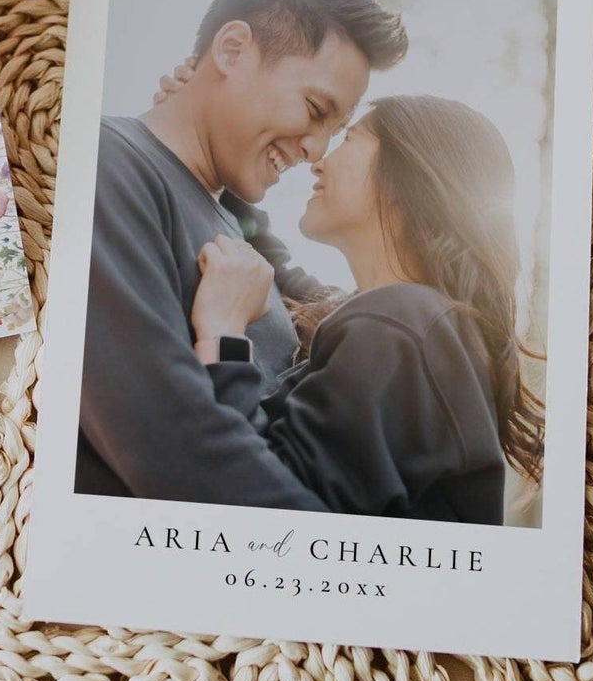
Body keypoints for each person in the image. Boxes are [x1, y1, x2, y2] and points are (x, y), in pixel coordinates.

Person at [74, 0, 408, 506]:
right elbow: (166, 441)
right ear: (232, 50)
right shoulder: (107, 166)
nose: (316, 150)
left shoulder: (236, 225)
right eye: (315, 108)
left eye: (337, 130)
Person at [194, 95, 546, 524]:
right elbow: (281, 270)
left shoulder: (401, 325)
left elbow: (264, 508)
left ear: (409, 174)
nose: (318, 161)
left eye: (350, 139)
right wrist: (210, 144)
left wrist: (224, 335)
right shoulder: (417, 323)